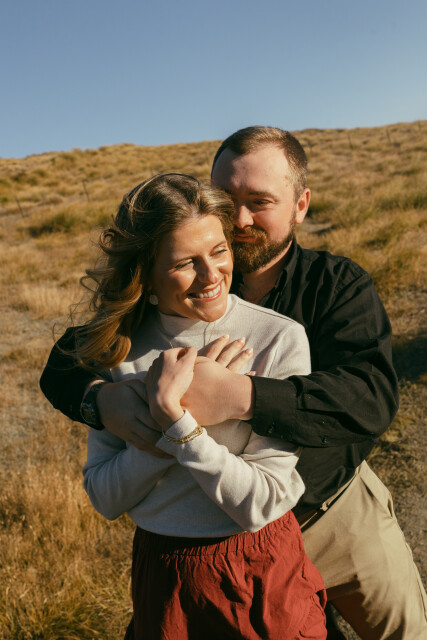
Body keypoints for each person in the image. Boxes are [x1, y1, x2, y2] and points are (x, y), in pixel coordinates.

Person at [40, 127, 427, 638]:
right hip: (200, 544)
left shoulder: (335, 286)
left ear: (300, 205)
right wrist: (97, 400)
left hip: (334, 514)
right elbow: (68, 361)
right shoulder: (180, 285)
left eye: (260, 202)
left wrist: (234, 396)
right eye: (228, 199)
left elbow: (369, 399)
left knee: (403, 631)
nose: (240, 219)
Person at [75, 173, 327, 638]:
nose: (211, 276)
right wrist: (169, 417)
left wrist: (179, 423)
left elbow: (262, 503)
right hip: (163, 573)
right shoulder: (119, 349)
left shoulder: (277, 337)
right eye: (185, 263)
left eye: (219, 251)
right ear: (147, 272)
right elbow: (105, 497)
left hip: (258, 563)